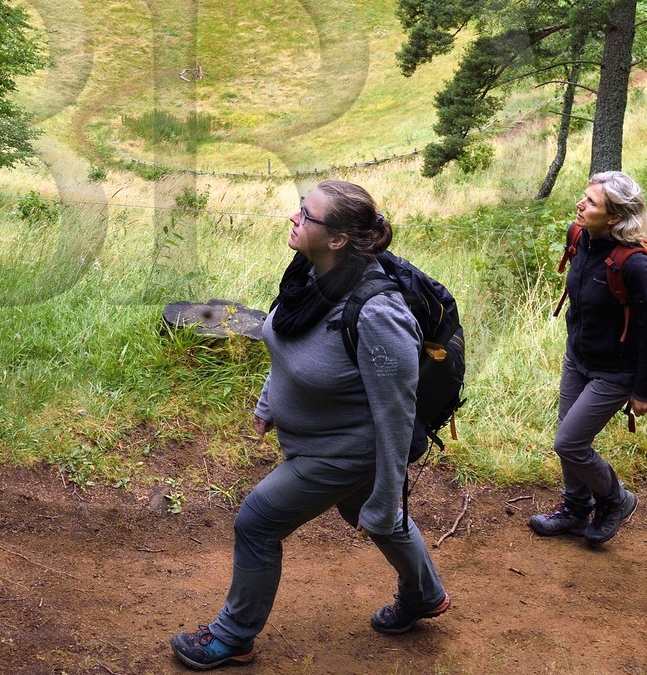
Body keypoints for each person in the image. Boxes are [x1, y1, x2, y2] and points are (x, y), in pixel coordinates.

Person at [169, 181, 448, 671]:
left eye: (307, 215)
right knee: (364, 513)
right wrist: (267, 401)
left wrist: (389, 491)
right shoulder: (308, 274)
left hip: (347, 450)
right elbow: (286, 343)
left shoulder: (377, 310)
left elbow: (396, 412)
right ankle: (424, 595)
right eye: (300, 210)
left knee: (258, 521)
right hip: (311, 438)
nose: (295, 219)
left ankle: (234, 636)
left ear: (338, 239)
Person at [529, 170, 647, 546]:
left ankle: (615, 501)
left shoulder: (635, 265)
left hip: (615, 372)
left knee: (568, 443)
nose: (579, 205)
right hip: (578, 360)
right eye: (583, 197)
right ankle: (574, 509)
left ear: (615, 217)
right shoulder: (582, 237)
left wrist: (643, 390)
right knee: (569, 438)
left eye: (590, 203)